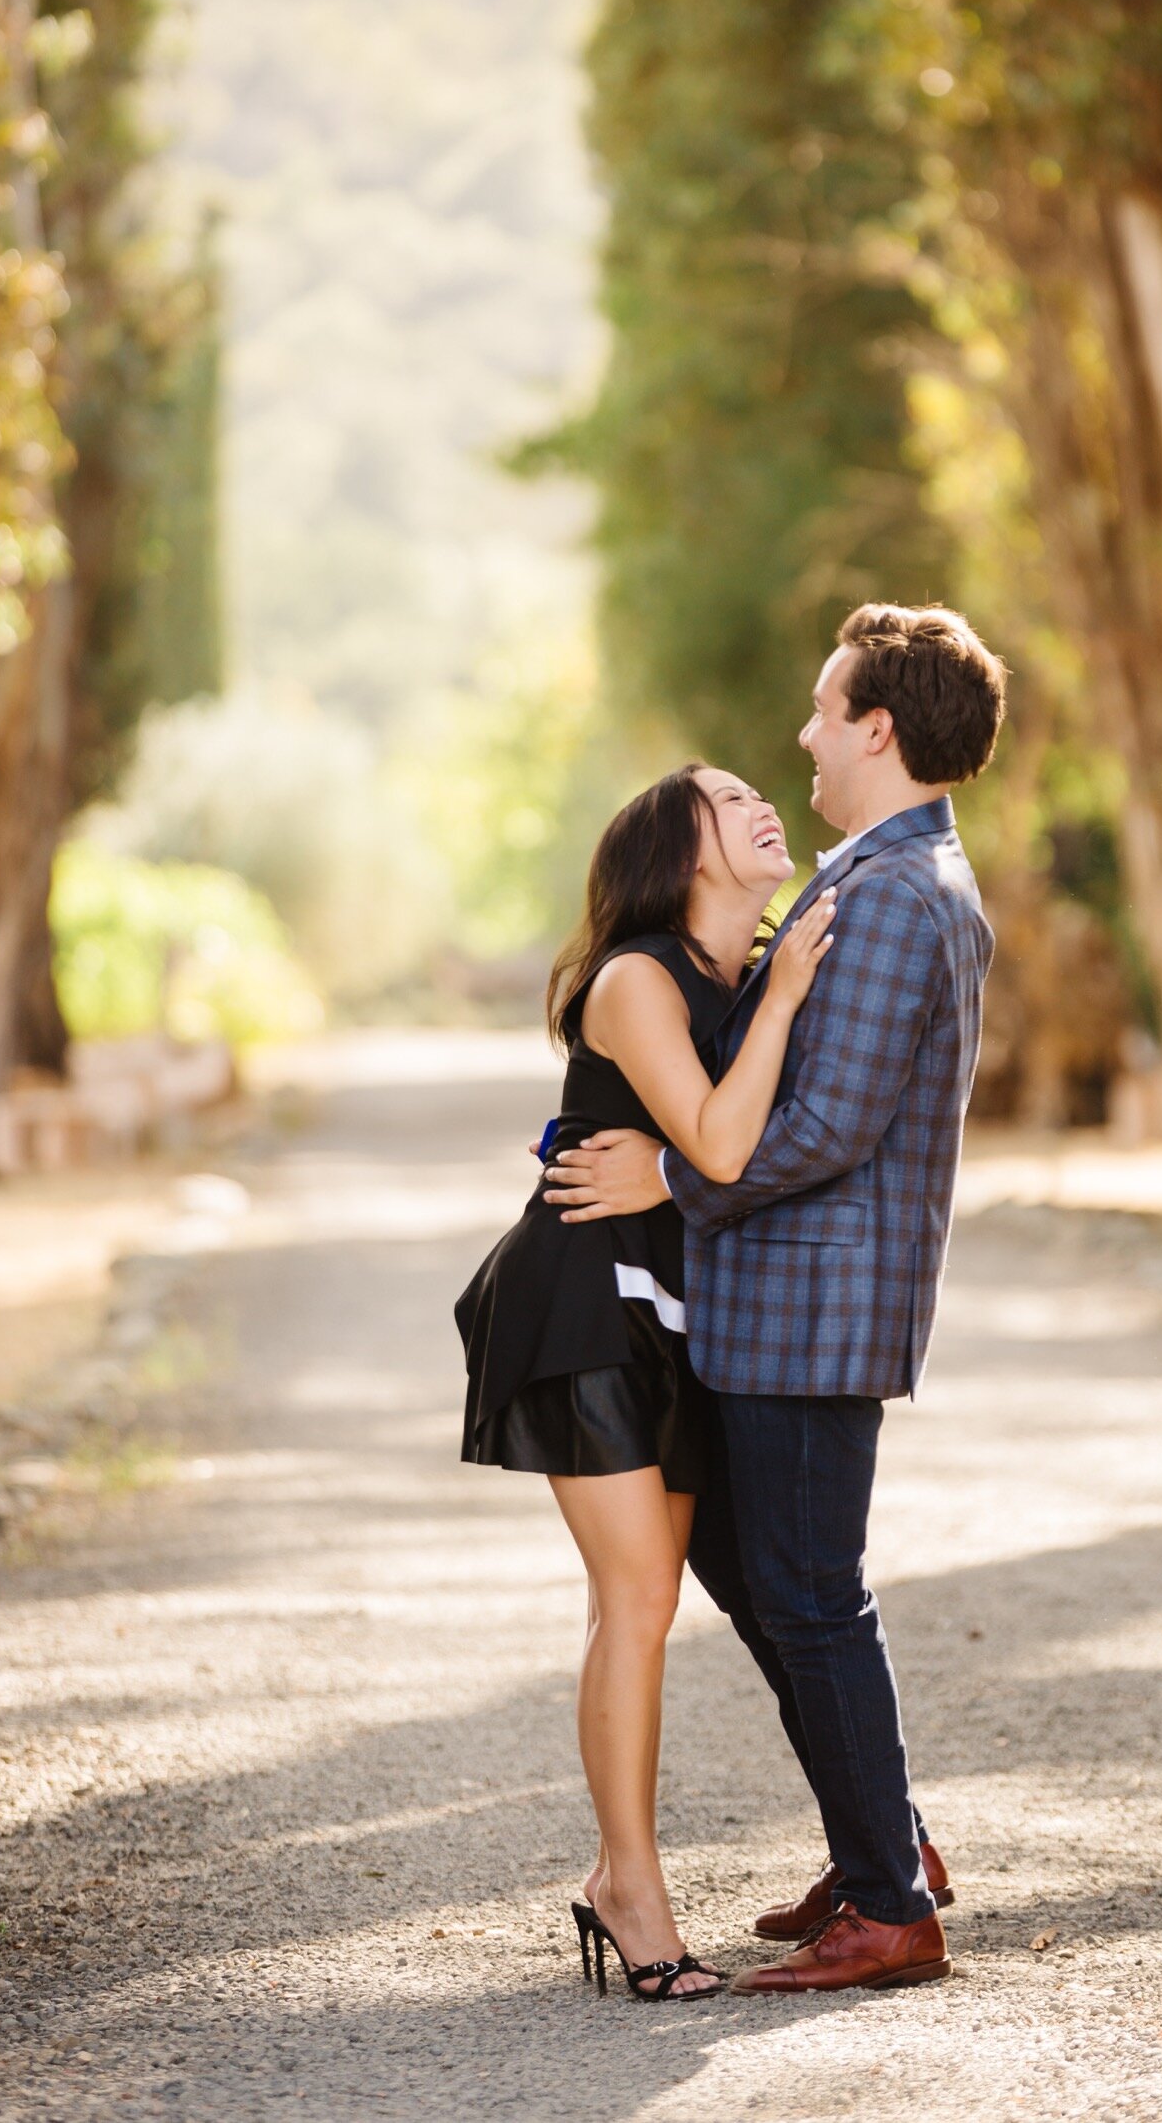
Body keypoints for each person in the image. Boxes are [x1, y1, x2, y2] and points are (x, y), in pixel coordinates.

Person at [544, 602, 1005, 1995]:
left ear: (877, 726)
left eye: (822, 709)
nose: (802, 735)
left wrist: (661, 1189)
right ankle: (889, 1844)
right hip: (776, 1305)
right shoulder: (867, 879)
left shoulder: (898, 893)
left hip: (815, 1307)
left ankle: (888, 1900)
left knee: (809, 1595)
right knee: (760, 1574)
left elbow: (823, 1128)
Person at [456, 764, 836, 2002]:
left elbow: (715, 1153)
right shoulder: (638, 977)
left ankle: (635, 1874)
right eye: (729, 800)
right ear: (679, 854)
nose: (763, 801)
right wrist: (783, 997)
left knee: (653, 1603)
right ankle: (631, 1890)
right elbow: (722, 1142)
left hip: (678, 1311)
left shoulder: (739, 970)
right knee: (636, 1600)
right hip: (584, 1298)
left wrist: (770, 993)